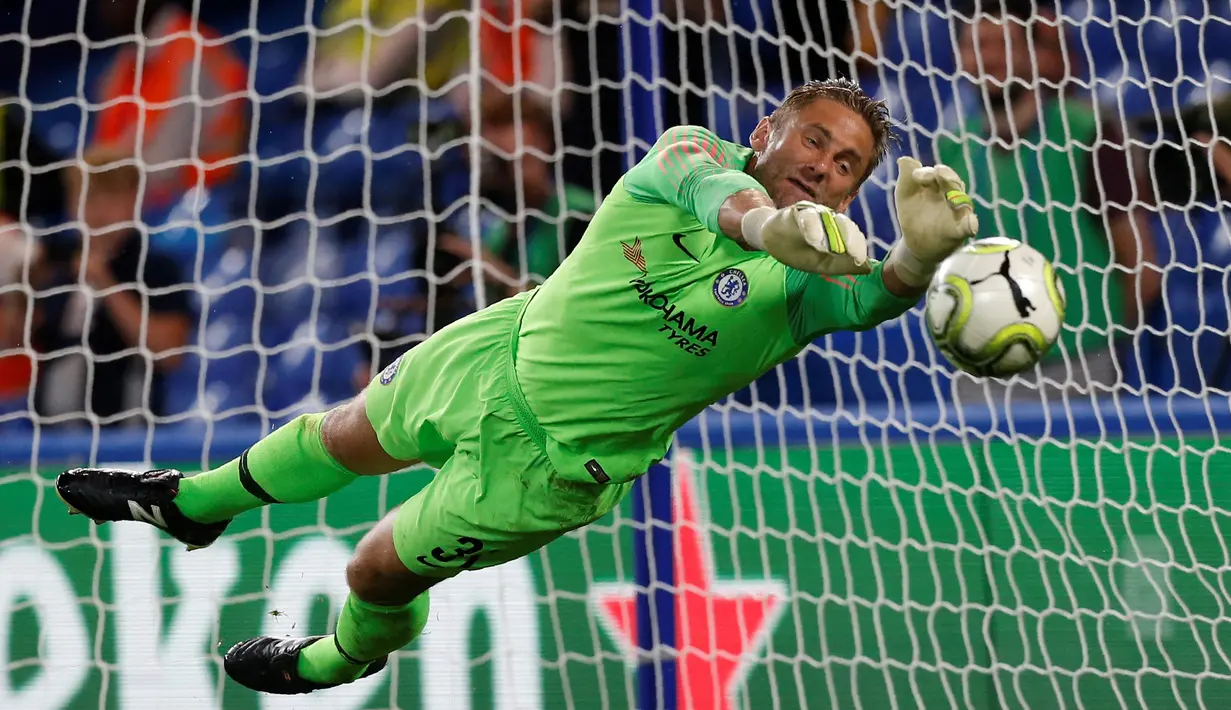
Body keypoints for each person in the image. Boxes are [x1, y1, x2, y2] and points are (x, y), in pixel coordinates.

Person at [54, 78, 978, 695]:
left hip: (550, 466)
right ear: (764, 130)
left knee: (372, 566)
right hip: (502, 345)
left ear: (855, 193)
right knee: (342, 434)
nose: (822, 164)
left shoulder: (810, 291)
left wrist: (919, 256)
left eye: (845, 164)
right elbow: (715, 199)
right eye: (813, 140)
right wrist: (767, 226)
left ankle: (338, 662)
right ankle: (193, 504)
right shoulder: (687, 152)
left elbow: (878, 297)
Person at [939, 0, 1159, 401]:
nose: (988, 57)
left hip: (1078, 367)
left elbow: (1142, 266)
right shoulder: (951, 150)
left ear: (1032, 53)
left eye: (1000, 43)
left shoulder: (1092, 133)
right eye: (975, 45)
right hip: (980, 368)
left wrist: (1100, 343)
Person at [30, 147, 192, 425]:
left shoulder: (156, 268)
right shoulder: (54, 267)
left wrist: (105, 283)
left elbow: (168, 353)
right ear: (72, 203)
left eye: (112, 197)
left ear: (134, 202)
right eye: (90, 197)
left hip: (128, 437)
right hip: (50, 442)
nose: (99, 210)